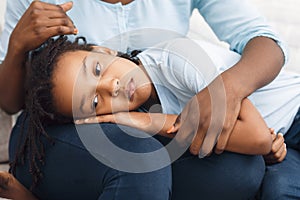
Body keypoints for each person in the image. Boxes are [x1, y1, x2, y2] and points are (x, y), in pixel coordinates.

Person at [0, 0, 293, 199]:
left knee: (239, 174)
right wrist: (17, 46)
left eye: (99, 69)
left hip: (162, 105)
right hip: (72, 122)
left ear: (105, 52)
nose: (111, 85)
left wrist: (227, 88)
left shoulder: (178, 62)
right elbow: (11, 104)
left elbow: (263, 39)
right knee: (136, 160)